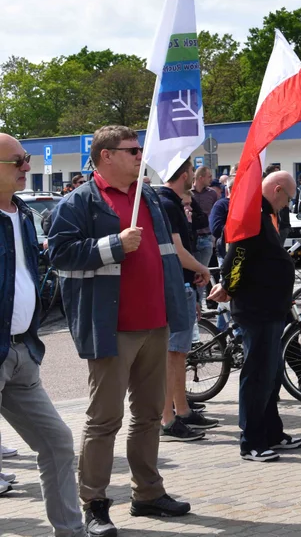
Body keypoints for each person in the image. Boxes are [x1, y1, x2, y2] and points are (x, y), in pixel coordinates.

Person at [48, 125, 192, 535]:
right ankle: (93, 503)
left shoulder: (147, 197)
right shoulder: (78, 202)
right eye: (132, 150)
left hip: (155, 323)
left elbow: (164, 255)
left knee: (148, 415)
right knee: (103, 419)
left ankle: (147, 493)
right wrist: (113, 245)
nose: (139, 156)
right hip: (111, 328)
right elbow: (59, 255)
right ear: (106, 155)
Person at [0, 134, 83, 533]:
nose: (26, 167)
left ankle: (71, 531)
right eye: (18, 160)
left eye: (28, 159)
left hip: (22, 355)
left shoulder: (24, 214)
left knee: (57, 443)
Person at [211, 171, 301, 465]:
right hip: (257, 307)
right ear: (277, 190)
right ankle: (251, 441)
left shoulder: (266, 214)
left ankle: (272, 432)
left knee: (272, 373)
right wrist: (229, 286)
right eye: (288, 198)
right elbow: (236, 255)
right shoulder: (253, 215)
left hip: (272, 306)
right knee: (257, 375)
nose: (287, 204)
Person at [155, 160, 215, 442]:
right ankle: (167, 418)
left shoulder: (171, 202)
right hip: (176, 284)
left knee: (179, 354)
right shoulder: (168, 204)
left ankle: (182, 409)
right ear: (184, 174)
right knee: (172, 354)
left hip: (183, 283)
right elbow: (177, 250)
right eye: (192, 171)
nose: (194, 175)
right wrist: (201, 269)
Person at [189, 166, 217, 271]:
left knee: (203, 270)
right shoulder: (187, 193)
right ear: (201, 178)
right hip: (191, 238)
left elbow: (214, 214)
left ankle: (202, 288)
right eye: (209, 176)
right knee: (191, 271)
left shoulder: (212, 194)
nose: (211, 179)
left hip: (207, 237)